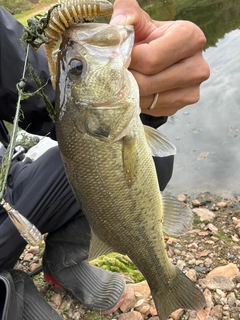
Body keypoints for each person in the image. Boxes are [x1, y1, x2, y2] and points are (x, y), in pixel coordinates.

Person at [0, 0, 210, 319]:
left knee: (155, 160)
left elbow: (43, 91)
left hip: (9, 185)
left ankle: (64, 264)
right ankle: (8, 282)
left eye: (77, 68)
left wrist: (153, 92)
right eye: (78, 68)